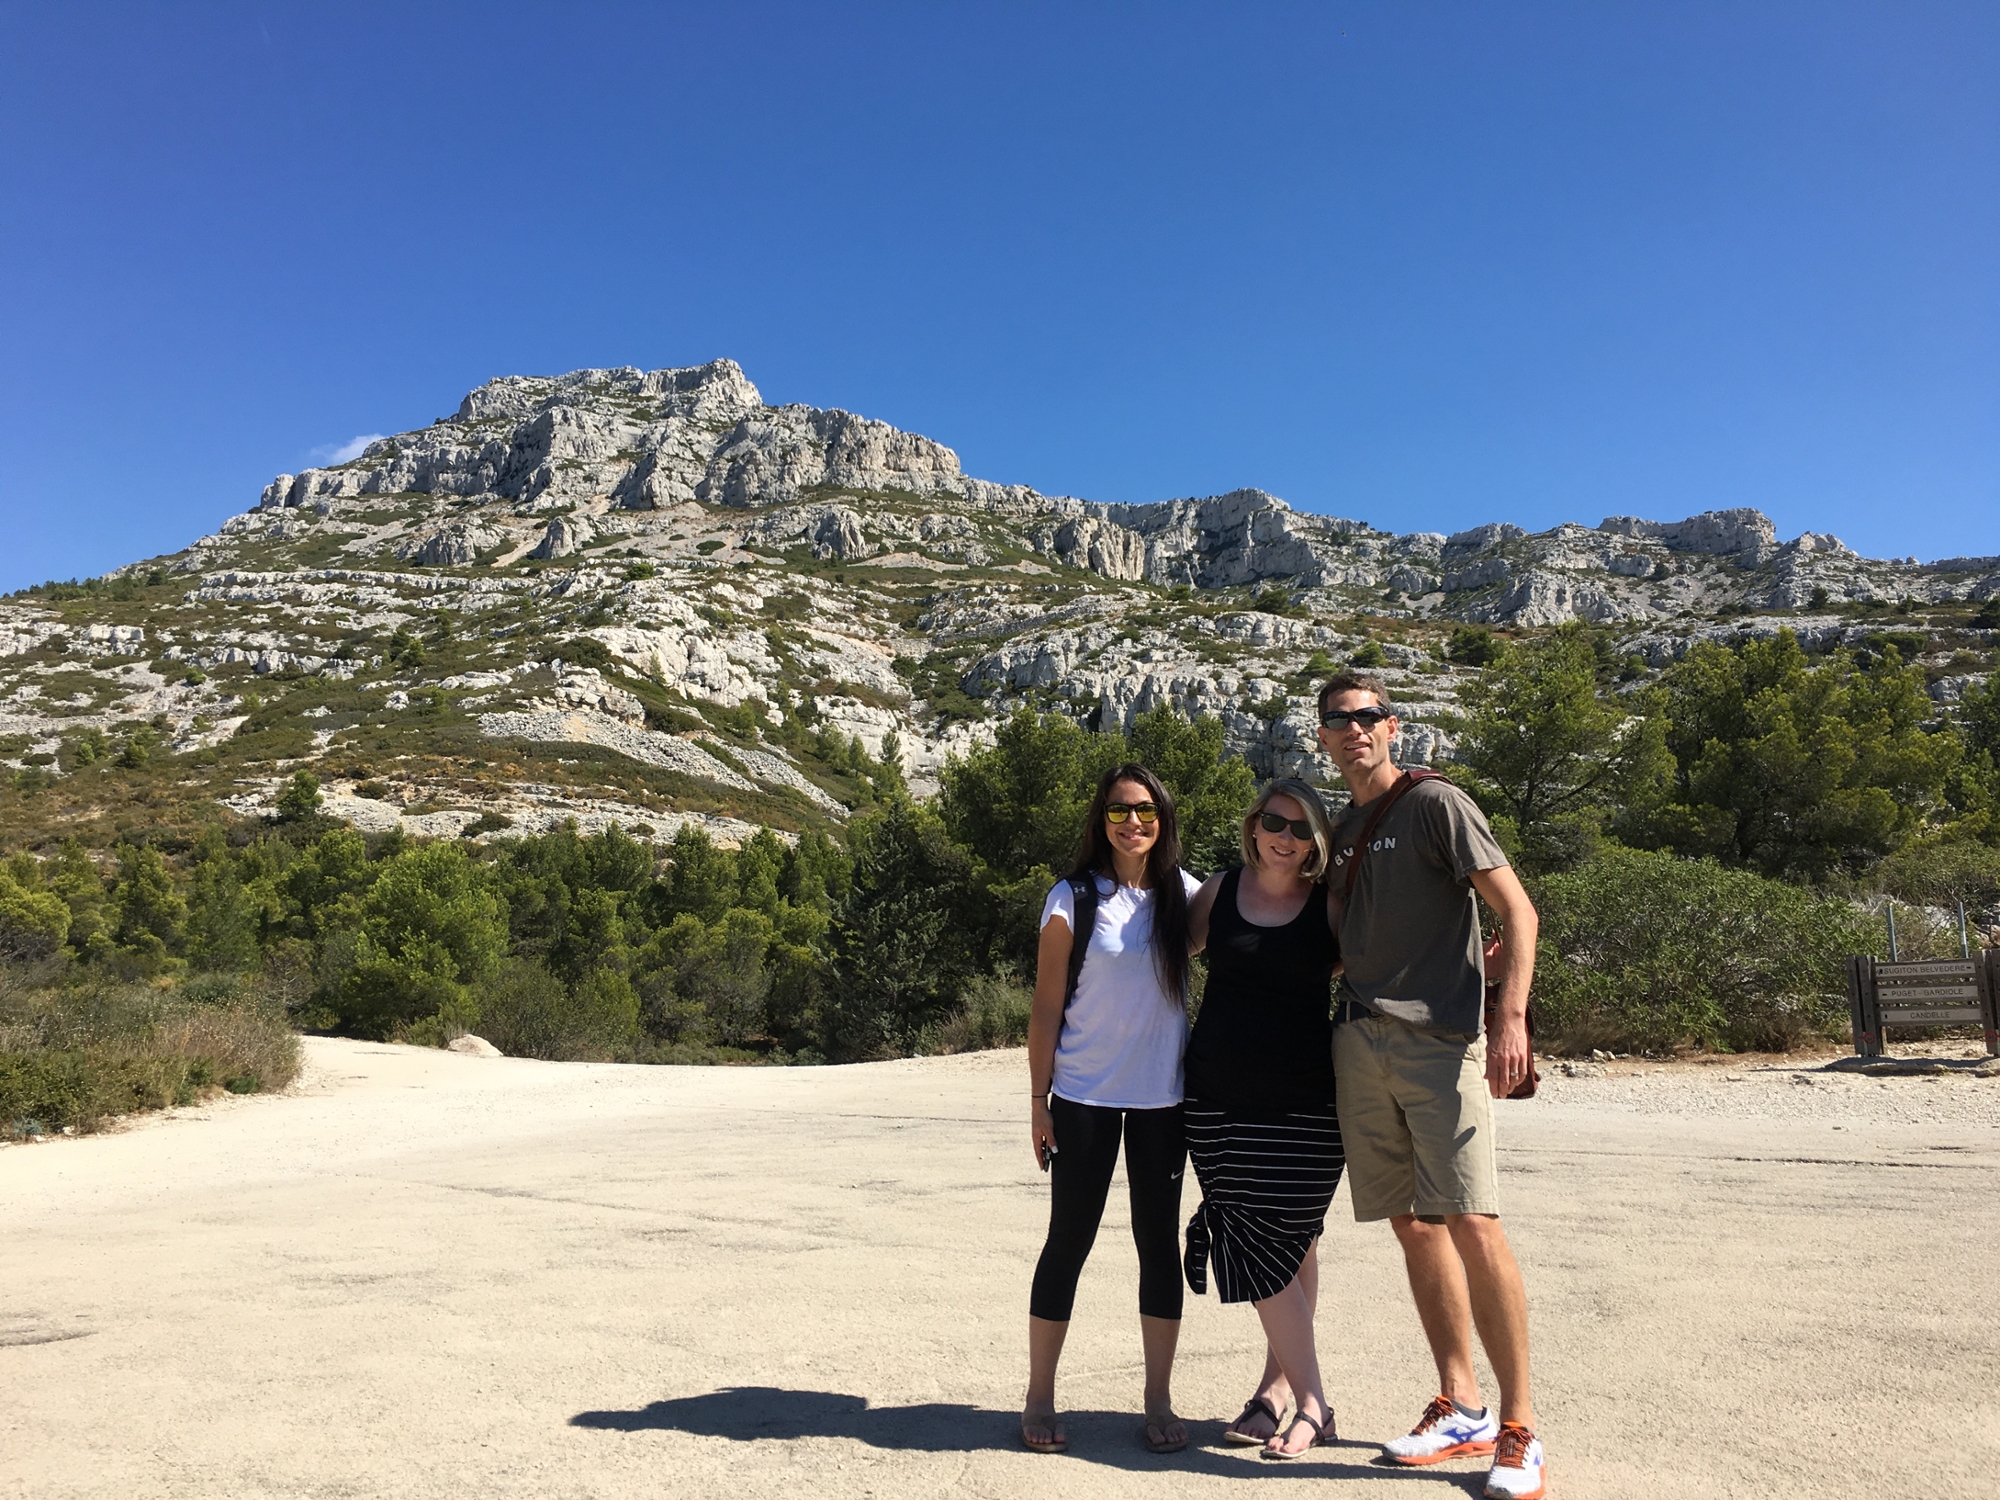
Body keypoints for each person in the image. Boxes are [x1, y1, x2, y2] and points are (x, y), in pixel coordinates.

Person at [1317, 670, 1549, 1500]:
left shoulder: (1436, 804)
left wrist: (1509, 1016)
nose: (1354, 730)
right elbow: (1345, 944)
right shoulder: (1339, 829)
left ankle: (1519, 1426)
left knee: (1475, 1221)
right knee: (1413, 1226)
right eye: (1338, 719)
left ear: (1394, 727)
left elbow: (1516, 911)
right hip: (1359, 1039)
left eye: (1367, 717)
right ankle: (1462, 1405)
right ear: (1322, 737)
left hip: (1440, 1043)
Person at [1022, 762, 1204, 1455]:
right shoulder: (1071, 899)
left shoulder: (1186, 896)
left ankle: (1158, 1400)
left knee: (1156, 1246)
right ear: (1101, 821)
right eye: (1121, 811)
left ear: (1164, 821)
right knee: (1068, 1242)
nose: (1134, 823)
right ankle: (1040, 1395)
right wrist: (1038, 1102)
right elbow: (1044, 1009)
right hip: (1082, 1097)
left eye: (1147, 812)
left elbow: (1264, 932)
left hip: (1162, 1099)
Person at [1182, 778, 1345, 1460]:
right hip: (1216, 1099)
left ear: (1317, 843)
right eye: (1275, 821)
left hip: (1305, 1107)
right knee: (1276, 1246)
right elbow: (1161, 952)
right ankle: (1282, 1395)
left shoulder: (1330, 906)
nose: (1285, 836)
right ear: (1253, 826)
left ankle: (1310, 1401)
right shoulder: (1217, 892)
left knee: (1283, 1245)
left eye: (1302, 828)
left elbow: (1383, 964)